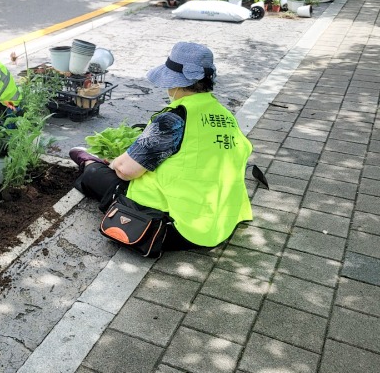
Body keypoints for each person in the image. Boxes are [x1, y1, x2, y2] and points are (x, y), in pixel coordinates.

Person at [70, 42, 253, 250]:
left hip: (176, 225)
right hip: (222, 218)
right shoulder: (224, 115)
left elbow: (126, 171)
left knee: (94, 174)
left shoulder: (173, 119)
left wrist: (115, 164)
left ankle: (88, 162)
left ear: (175, 84)